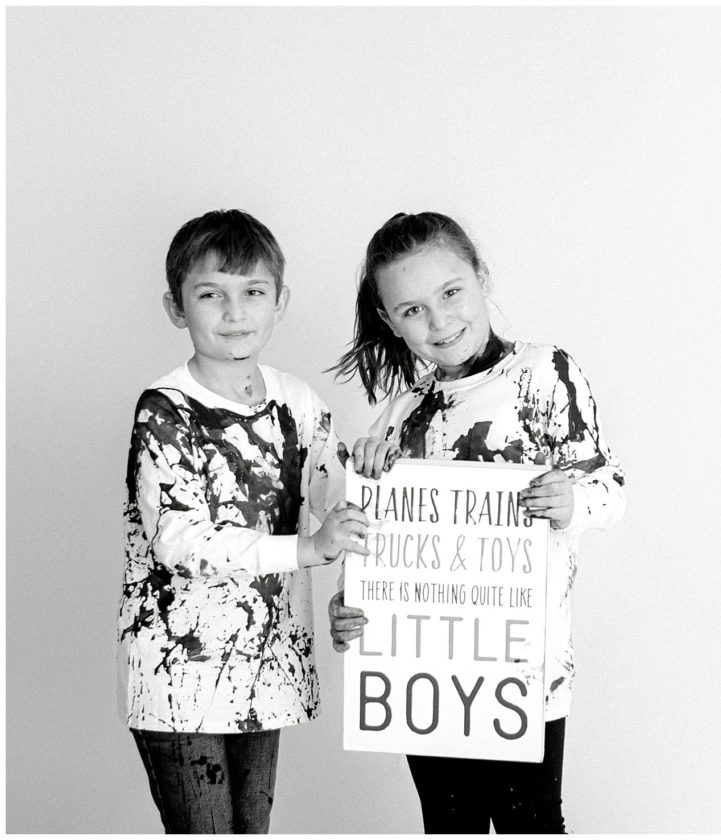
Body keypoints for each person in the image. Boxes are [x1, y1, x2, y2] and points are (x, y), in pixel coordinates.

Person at [327, 211, 625, 833]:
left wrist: (575, 502)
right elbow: (377, 545)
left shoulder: (544, 374)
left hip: (522, 664)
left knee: (530, 822)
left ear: (481, 276)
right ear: (389, 320)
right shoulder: (400, 413)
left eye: (451, 292)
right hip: (423, 673)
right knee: (449, 822)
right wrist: (353, 601)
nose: (439, 321)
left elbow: (609, 488)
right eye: (412, 310)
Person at [117, 209, 369, 833]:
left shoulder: (299, 401)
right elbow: (181, 542)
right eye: (211, 295)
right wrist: (309, 549)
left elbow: (333, 507)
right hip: (180, 669)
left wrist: (373, 483)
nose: (235, 313)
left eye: (253, 292)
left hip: (267, 661)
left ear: (279, 301)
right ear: (177, 307)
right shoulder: (165, 411)